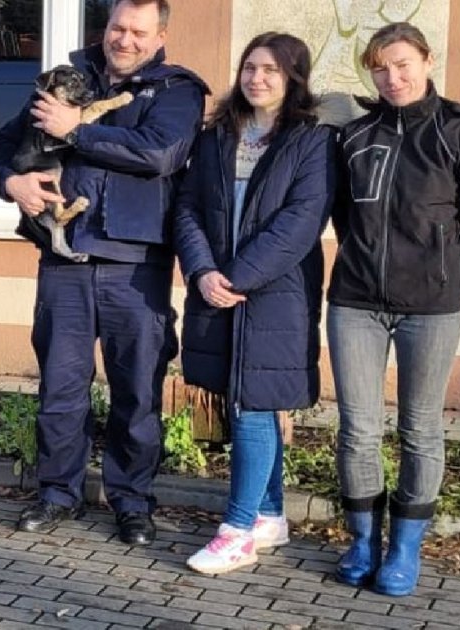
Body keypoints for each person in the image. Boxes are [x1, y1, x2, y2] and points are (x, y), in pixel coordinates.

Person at [0, 0, 207, 544]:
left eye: (138, 32)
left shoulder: (177, 91)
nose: (125, 40)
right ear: (105, 27)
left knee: (136, 392)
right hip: (63, 260)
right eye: (118, 27)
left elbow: (159, 154)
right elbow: (2, 146)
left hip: (135, 267)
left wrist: (76, 131)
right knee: (60, 390)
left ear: (159, 37)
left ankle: (131, 502)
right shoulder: (68, 80)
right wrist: (10, 183)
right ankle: (57, 494)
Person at [330, 22, 460, 596]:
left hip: (430, 310)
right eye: (380, 68)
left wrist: (458, 282)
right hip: (355, 304)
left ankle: (404, 550)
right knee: (357, 429)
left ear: (427, 61)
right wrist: (360, 260)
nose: (392, 77)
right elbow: (344, 215)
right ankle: (362, 542)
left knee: (420, 430)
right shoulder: (355, 135)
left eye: (402, 64)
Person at [173, 32, 335, 574]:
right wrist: (202, 271)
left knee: (254, 405)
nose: (257, 78)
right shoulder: (217, 135)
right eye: (249, 67)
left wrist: (236, 277)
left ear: (293, 79)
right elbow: (188, 208)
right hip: (217, 287)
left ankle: (237, 531)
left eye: (271, 70)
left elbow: (300, 223)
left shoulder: (311, 141)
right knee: (242, 398)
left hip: (276, 295)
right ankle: (269, 515)